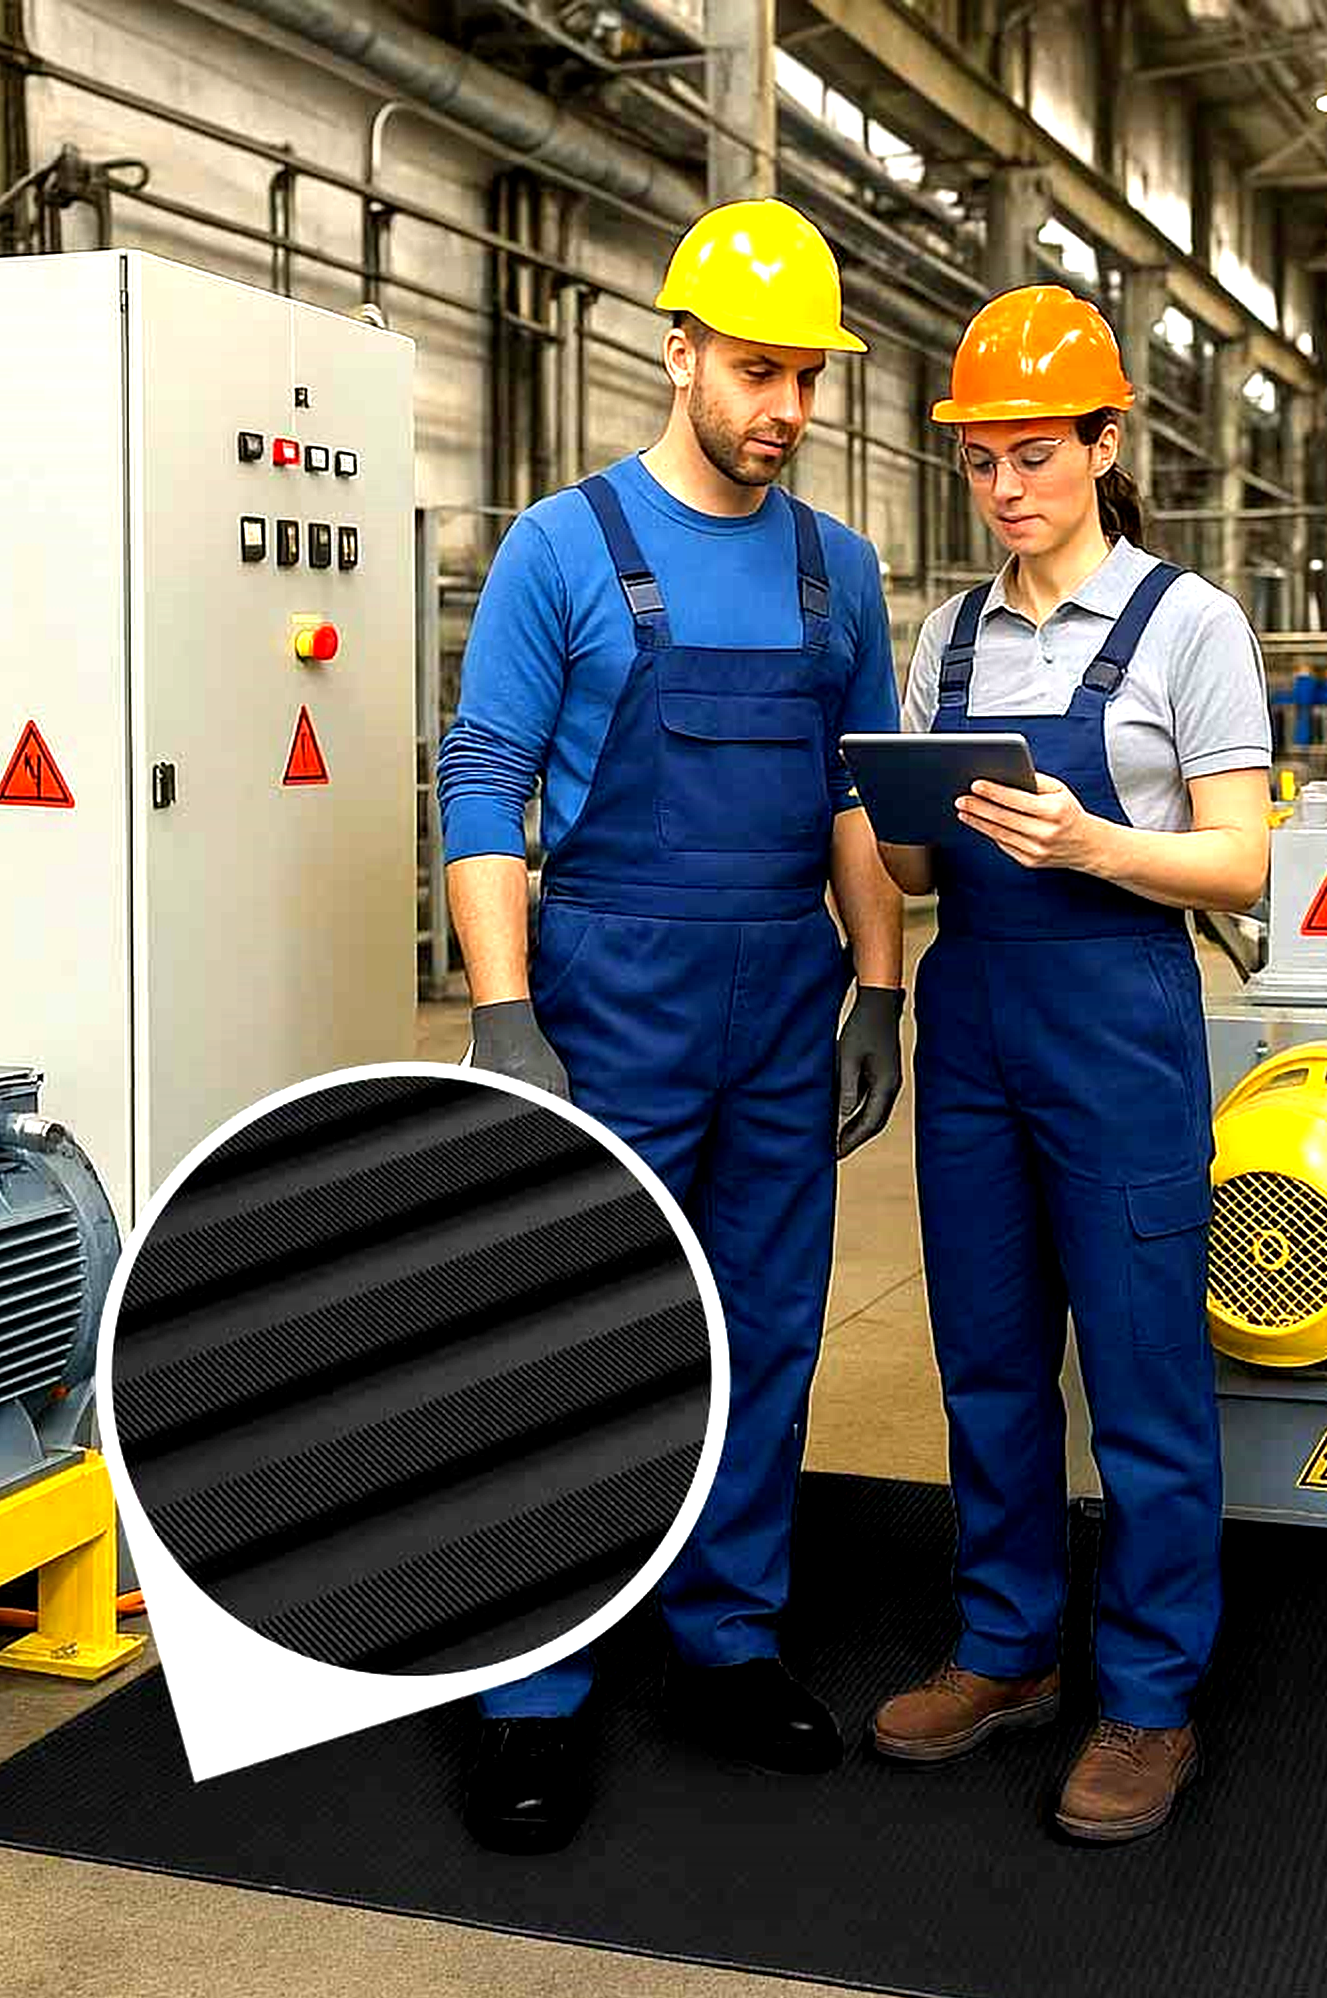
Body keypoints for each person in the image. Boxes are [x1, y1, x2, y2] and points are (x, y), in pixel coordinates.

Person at [436, 198, 905, 1852]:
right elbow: (485, 782)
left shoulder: (836, 569)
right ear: (680, 350)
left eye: (806, 379)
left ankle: (724, 1639)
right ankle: (531, 1687)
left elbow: (858, 795)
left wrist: (879, 981)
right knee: (580, 1324)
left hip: (782, 995)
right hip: (606, 991)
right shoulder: (562, 549)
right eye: (758, 370)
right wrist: (504, 1013)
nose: (783, 406)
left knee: (767, 1328)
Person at [867, 285, 1270, 1843]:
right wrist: (889, 813)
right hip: (975, 1025)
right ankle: (1006, 1646)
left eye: (1036, 454)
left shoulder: (1191, 626)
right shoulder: (950, 634)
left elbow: (1243, 867)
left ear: (1108, 443)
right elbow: (905, 870)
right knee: (984, 1362)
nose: (1006, 487)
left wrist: (1101, 841)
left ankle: (1152, 1699)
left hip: (1119, 1024)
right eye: (981, 462)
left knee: (1147, 1379)